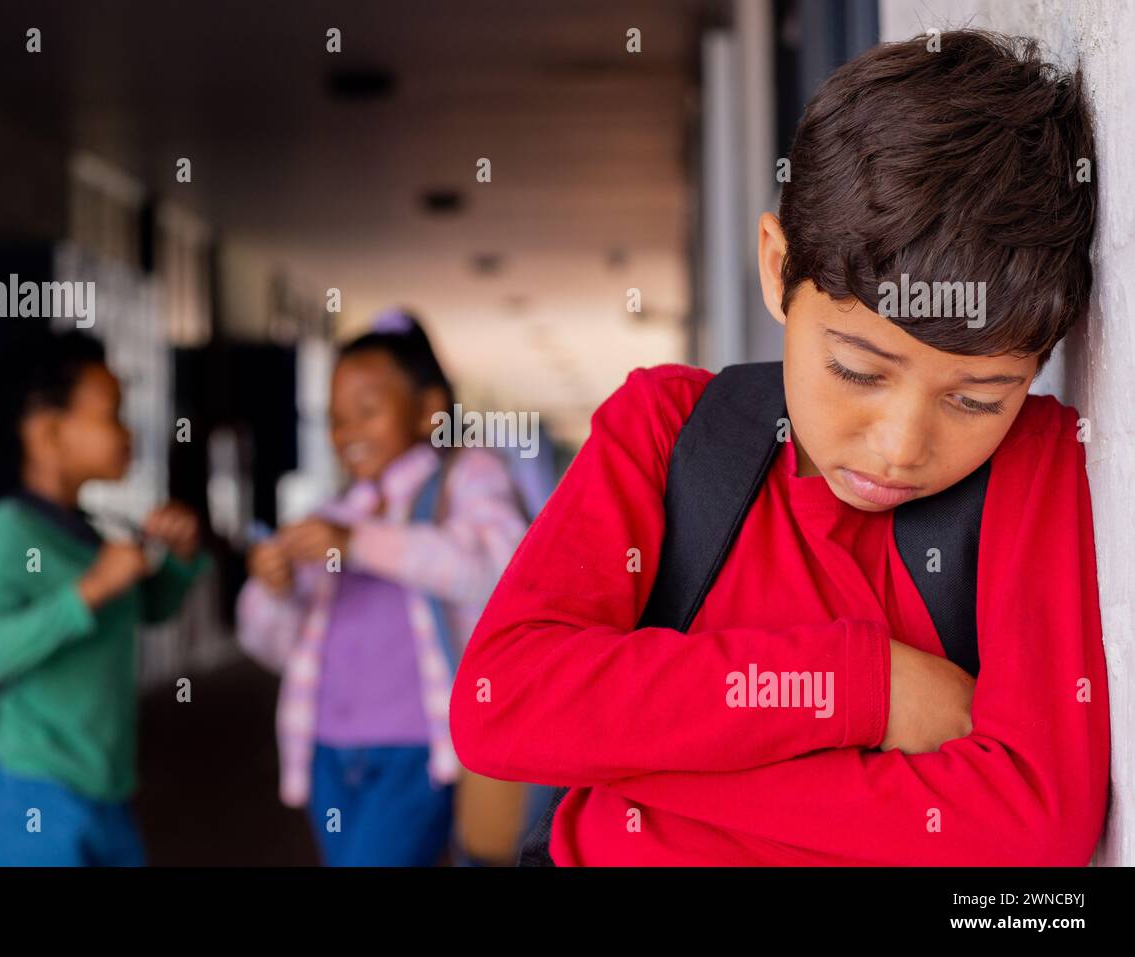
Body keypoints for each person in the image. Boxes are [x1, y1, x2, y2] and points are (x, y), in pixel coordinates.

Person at [450, 30, 1110, 865]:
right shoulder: (668, 428)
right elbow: (497, 699)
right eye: (858, 371)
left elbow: (1030, 827)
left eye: (977, 398)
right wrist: (851, 688)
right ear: (777, 265)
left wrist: (630, 753)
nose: (902, 446)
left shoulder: (1034, 463)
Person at [236, 311, 528, 866]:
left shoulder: (468, 477)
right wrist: (272, 590)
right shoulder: (332, 513)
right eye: (336, 418)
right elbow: (273, 646)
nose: (348, 433)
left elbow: (501, 572)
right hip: (326, 749)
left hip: (419, 749)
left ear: (427, 410)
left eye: (367, 412)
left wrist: (358, 543)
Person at [0, 331, 208, 866]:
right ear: (48, 433)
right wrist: (92, 589)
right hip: (28, 794)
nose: (127, 431)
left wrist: (180, 557)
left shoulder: (87, 530)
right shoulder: (7, 530)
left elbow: (148, 610)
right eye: (112, 414)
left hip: (105, 793)